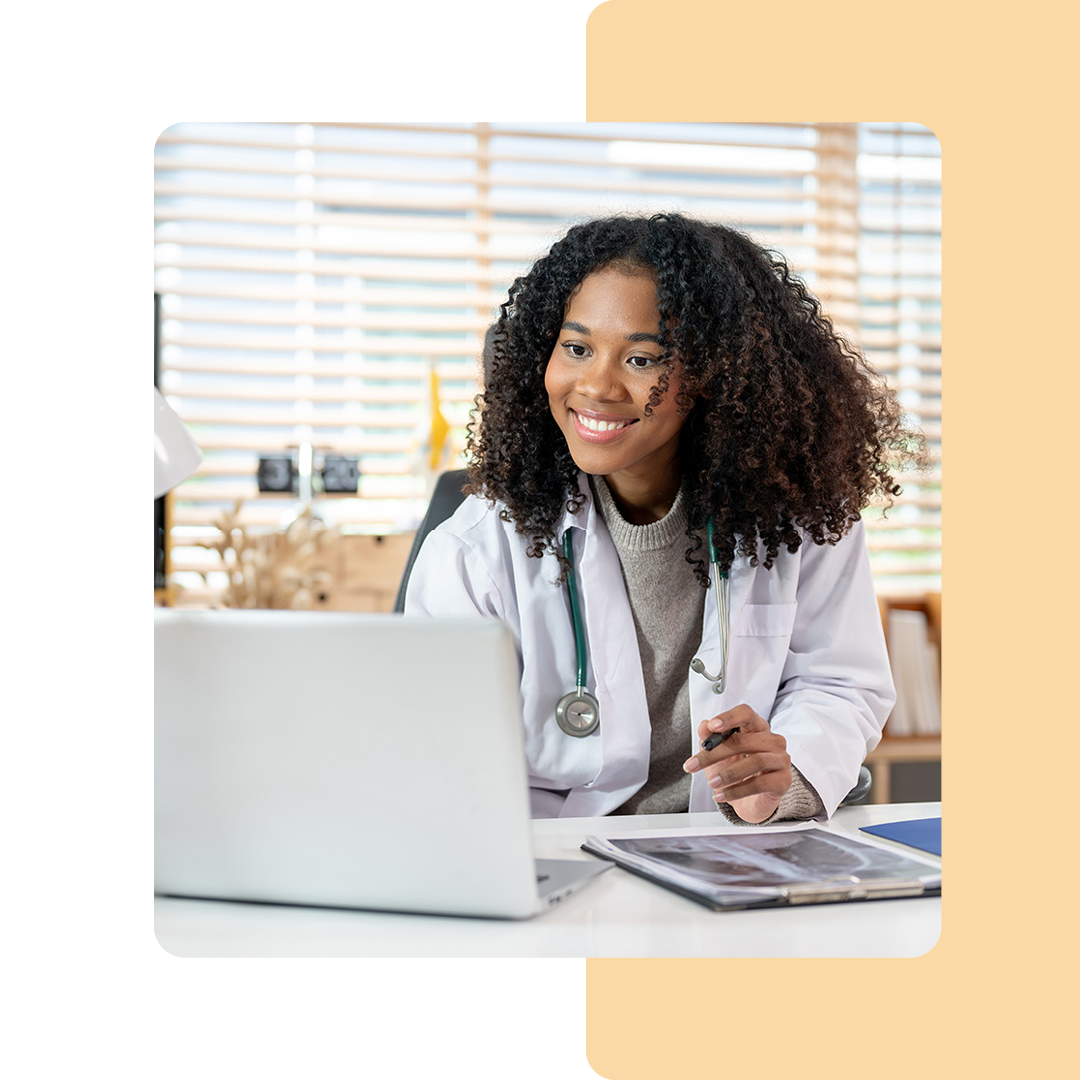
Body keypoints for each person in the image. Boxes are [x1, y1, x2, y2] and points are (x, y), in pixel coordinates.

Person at [405, 212, 923, 823]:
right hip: (550, 855)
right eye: (576, 348)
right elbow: (435, 753)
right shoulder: (475, 549)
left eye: (643, 359)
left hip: (730, 854)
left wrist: (783, 781)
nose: (596, 386)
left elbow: (839, 684)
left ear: (716, 376)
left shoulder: (800, 517)